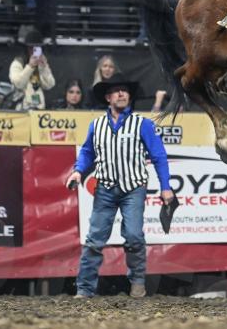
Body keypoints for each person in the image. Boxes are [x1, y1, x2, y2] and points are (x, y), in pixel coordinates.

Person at [65, 73, 175, 299]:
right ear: (108, 97)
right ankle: (84, 289)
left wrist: (166, 186)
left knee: (134, 236)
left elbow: (159, 156)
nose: (122, 93)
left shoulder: (142, 124)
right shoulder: (97, 125)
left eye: (125, 90)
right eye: (116, 91)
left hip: (133, 188)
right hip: (105, 188)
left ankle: (137, 282)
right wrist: (78, 171)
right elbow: (87, 152)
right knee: (94, 240)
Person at [9, 29, 55, 110]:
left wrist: (44, 68)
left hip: (38, 108)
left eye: (37, 48)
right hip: (21, 109)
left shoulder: (40, 64)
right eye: (31, 48)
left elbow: (50, 84)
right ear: (27, 48)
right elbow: (18, 84)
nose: (34, 51)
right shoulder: (18, 63)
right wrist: (30, 67)